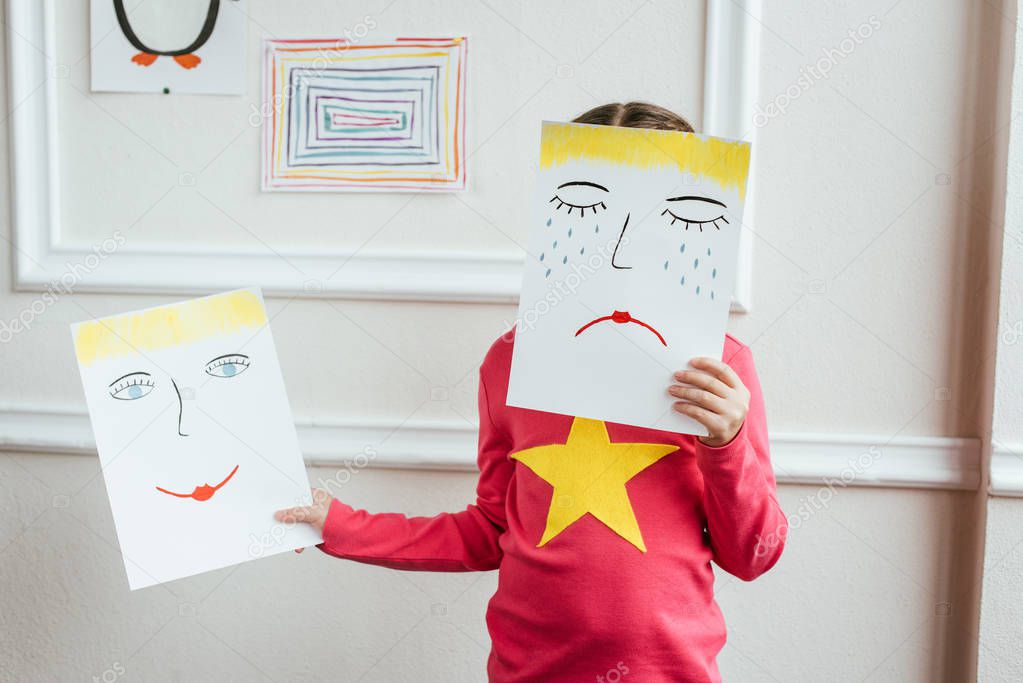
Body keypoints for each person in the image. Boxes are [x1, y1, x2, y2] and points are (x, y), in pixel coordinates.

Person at [276, 102, 787, 682]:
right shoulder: (510, 362)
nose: (620, 246)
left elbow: (755, 554)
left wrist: (727, 443)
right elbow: (491, 530)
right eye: (588, 211)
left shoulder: (723, 370)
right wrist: (339, 523)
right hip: (530, 670)